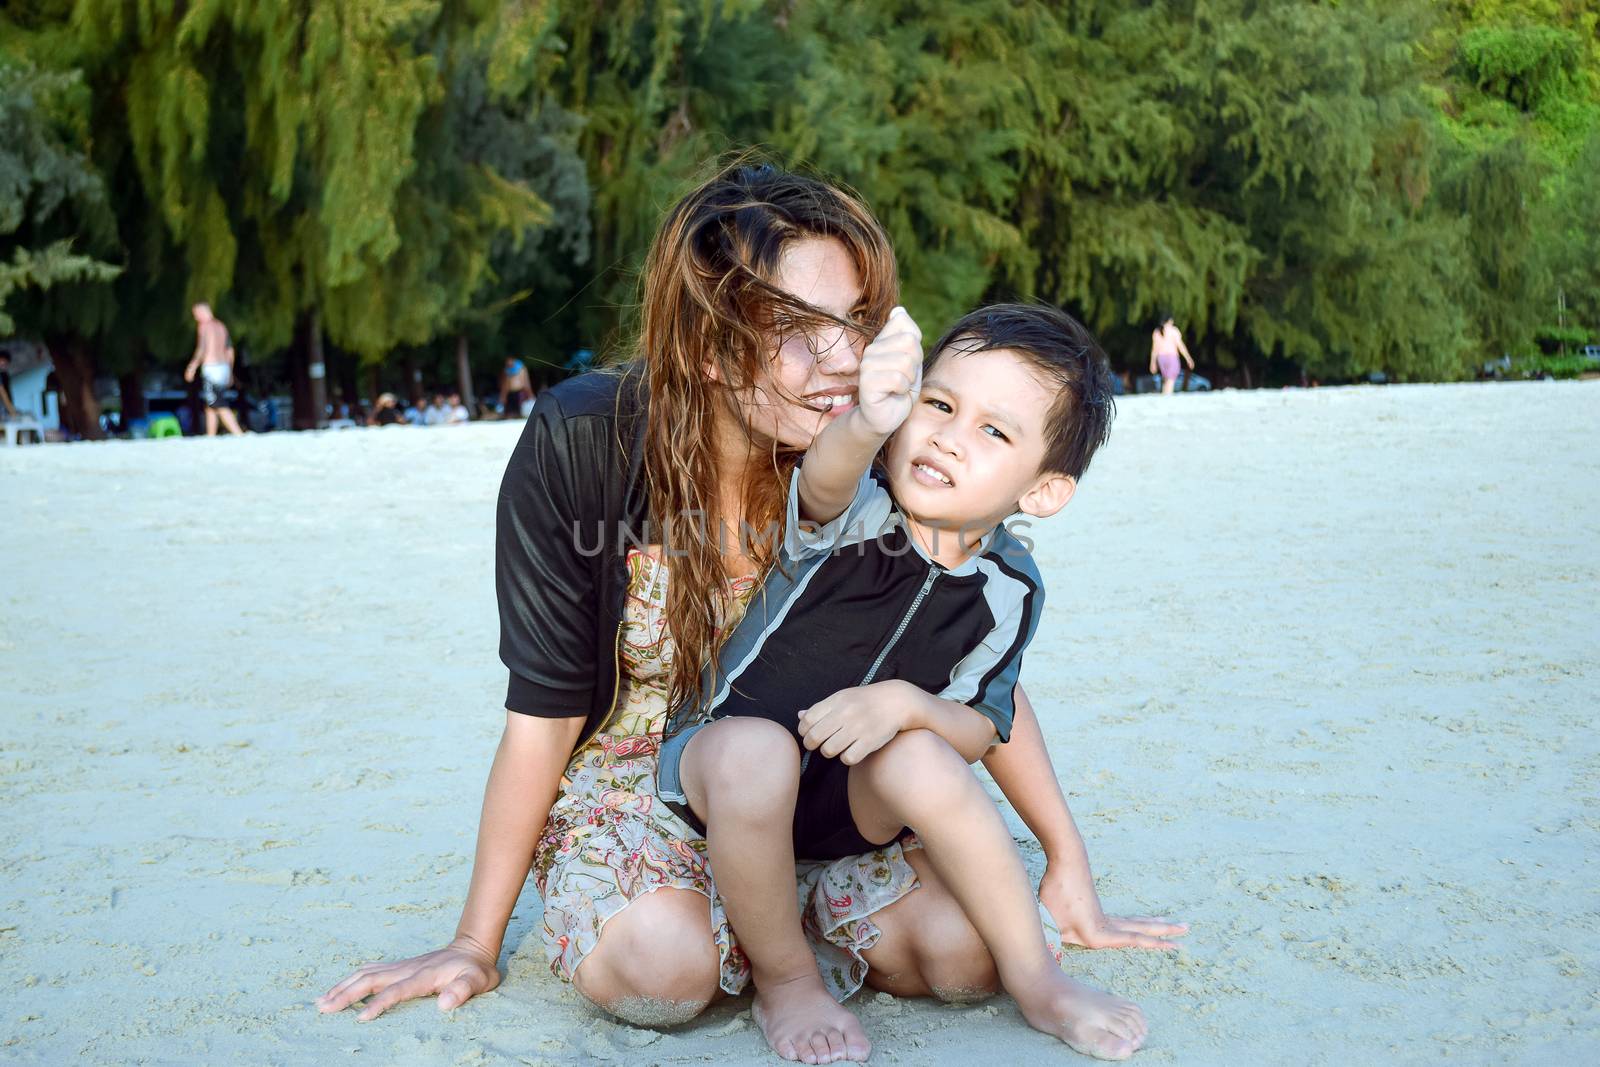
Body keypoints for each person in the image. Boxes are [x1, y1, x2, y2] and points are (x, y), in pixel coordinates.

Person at [316, 160, 1181, 1055]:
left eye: (854, 321)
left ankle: (788, 919)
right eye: (797, 331)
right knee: (663, 970)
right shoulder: (587, 443)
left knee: (963, 960)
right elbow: (543, 710)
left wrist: (1066, 857)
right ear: (706, 343)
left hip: (834, 789)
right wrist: (475, 942)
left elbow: (972, 654)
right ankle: (767, 953)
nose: (842, 360)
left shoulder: (896, 444)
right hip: (655, 788)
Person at [659, 303, 1167, 1060]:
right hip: (719, 775)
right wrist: (868, 416)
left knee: (921, 747)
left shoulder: (1010, 586)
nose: (948, 438)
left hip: (848, 810)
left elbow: (982, 724)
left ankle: (1040, 979)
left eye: (994, 431)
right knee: (755, 755)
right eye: (939, 404)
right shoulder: (858, 504)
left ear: (1044, 492)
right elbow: (824, 475)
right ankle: (787, 979)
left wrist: (906, 704)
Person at [182, 303, 246, 435]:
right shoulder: (221, 326)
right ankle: (211, 436)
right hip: (223, 368)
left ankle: (238, 433)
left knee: (219, 404)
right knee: (211, 405)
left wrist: (192, 366)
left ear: (203, 312)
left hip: (211, 368)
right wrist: (230, 371)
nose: (196, 318)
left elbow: (202, 348)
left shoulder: (204, 327)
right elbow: (229, 350)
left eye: (196, 314)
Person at [1148, 314, 1194, 395]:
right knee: (1171, 380)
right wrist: (1188, 358)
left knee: (1166, 380)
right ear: (1170, 321)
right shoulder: (1174, 330)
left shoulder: (1156, 331)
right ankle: (1168, 396)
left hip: (1161, 358)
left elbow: (1154, 349)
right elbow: (1180, 346)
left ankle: (1164, 394)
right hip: (1172, 357)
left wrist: (1153, 363)